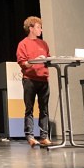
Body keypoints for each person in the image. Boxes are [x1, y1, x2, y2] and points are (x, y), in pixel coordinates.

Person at [16, 16, 52, 147]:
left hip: (43, 79)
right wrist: (35, 60)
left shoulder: (43, 43)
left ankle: (44, 136)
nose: (40, 29)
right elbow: (23, 63)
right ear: (31, 28)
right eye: (38, 27)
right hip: (30, 80)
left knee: (44, 109)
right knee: (29, 109)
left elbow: (48, 59)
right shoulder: (23, 44)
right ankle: (30, 136)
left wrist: (48, 60)